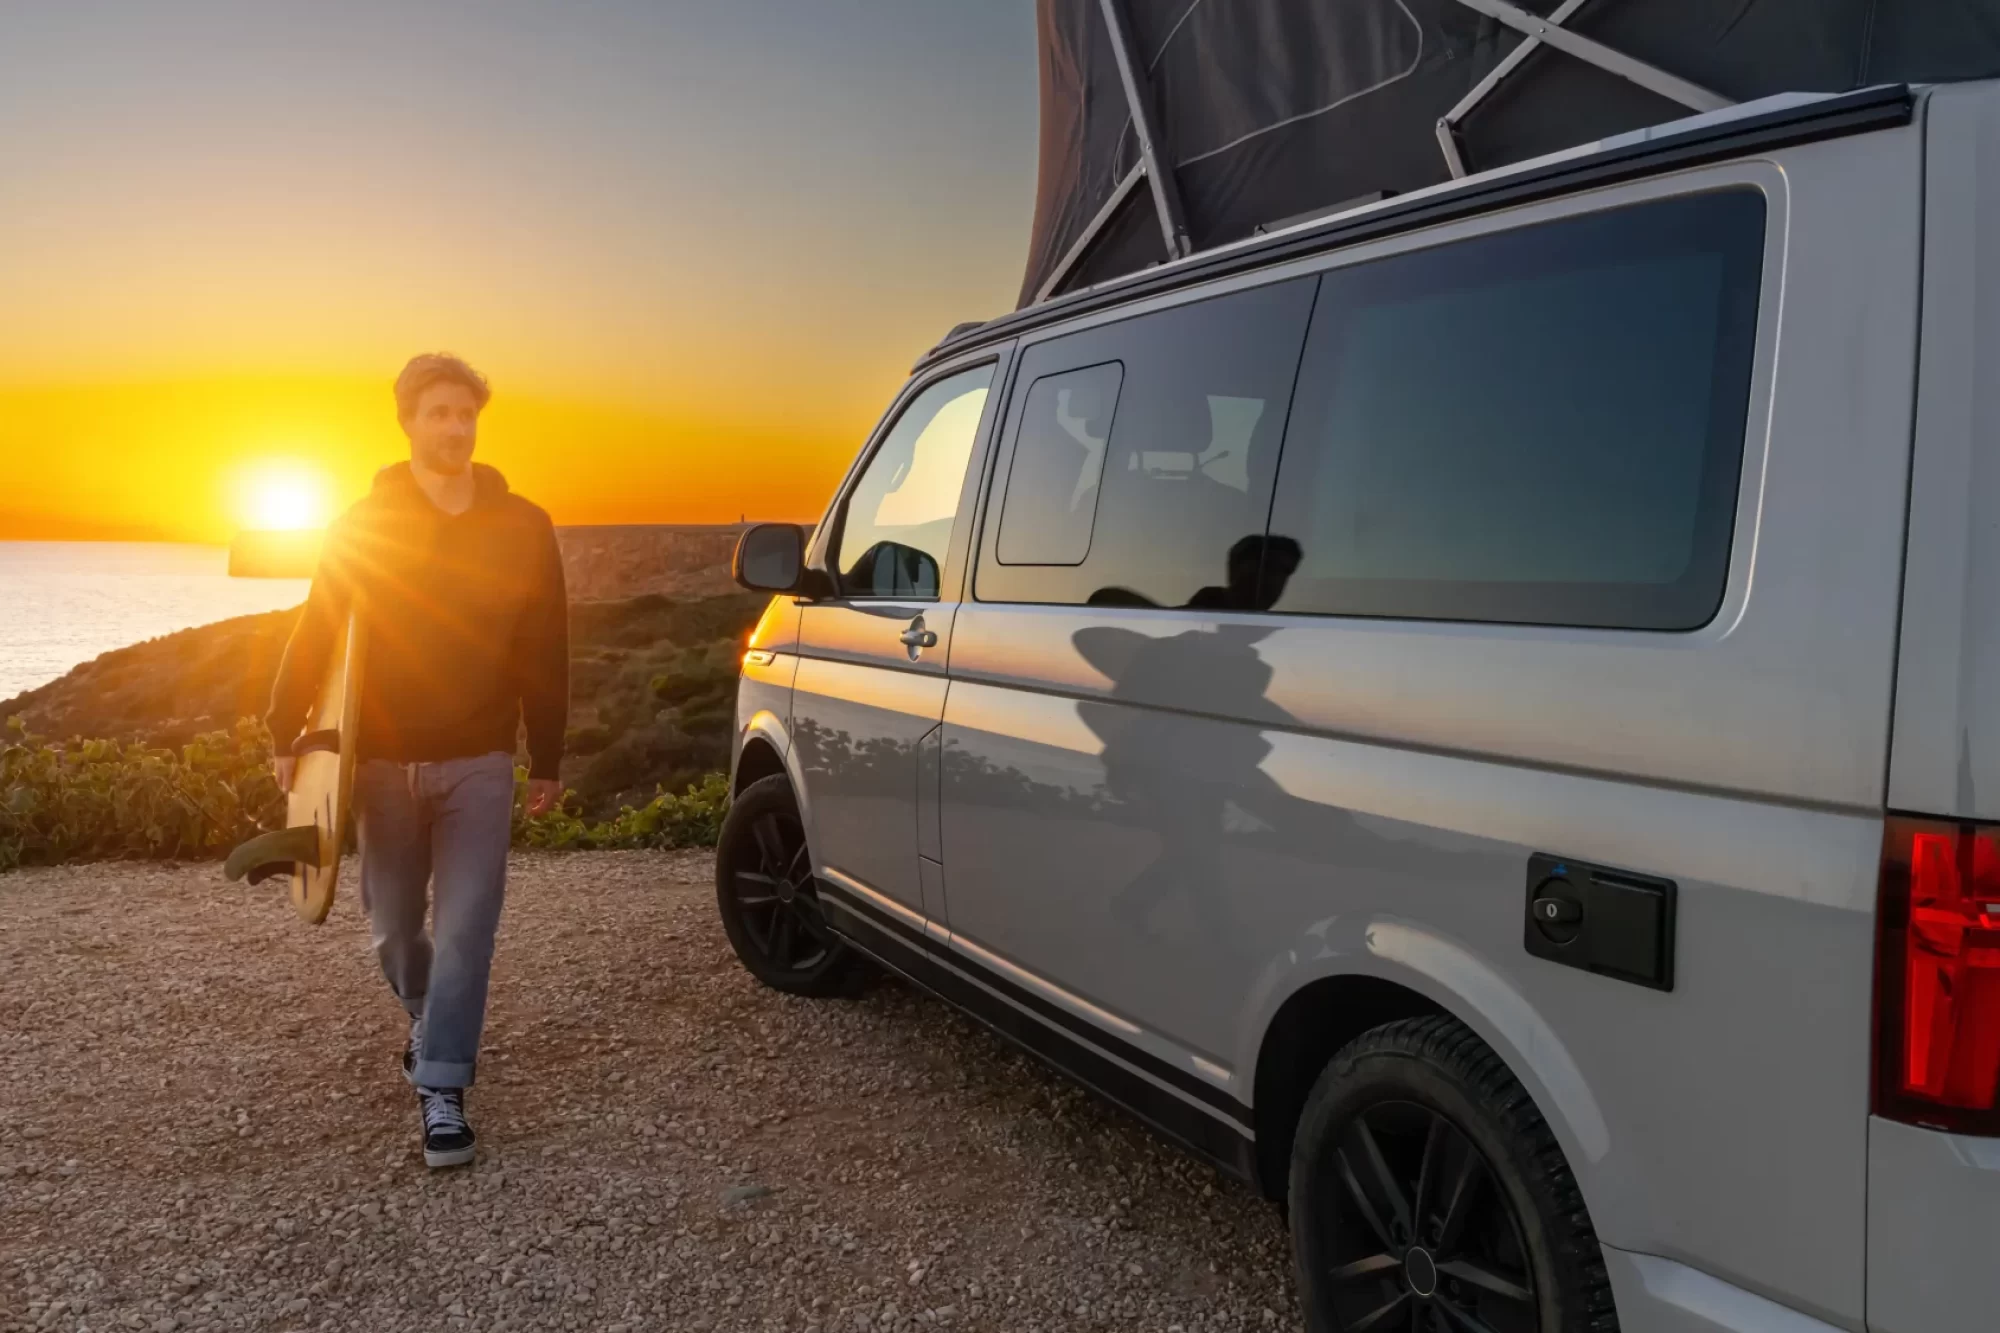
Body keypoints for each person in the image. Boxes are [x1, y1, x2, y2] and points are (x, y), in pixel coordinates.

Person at [265, 353, 568, 1169]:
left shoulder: (523, 525)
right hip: (381, 762)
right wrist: (285, 730)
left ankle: (442, 1086)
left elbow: (546, 647)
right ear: (408, 421)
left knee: (468, 925)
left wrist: (548, 755)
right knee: (396, 925)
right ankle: (431, 1016)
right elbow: (319, 626)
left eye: (466, 414)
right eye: (438, 413)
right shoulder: (363, 523)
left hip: (478, 757)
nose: (455, 428)